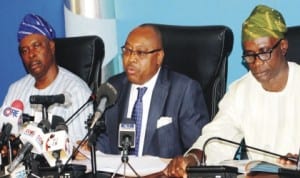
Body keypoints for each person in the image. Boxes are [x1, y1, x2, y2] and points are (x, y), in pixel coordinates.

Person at [164, 4, 300, 177]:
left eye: (264, 52)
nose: (256, 63)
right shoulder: (241, 90)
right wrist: (192, 159)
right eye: (250, 55)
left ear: (283, 47)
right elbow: (216, 138)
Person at [96, 24, 209, 158]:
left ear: (159, 57)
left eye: (141, 53)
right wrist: (91, 148)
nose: (131, 59)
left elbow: (198, 149)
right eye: (127, 50)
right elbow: (107, 138)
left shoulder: (183, 90)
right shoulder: (113, 87)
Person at [0, 14, 93, 149]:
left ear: (51, 46)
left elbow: (80, 151)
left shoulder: (76, 91)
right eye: (24, 51)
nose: (31, 54)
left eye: (36, 46)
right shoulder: (15, 89)